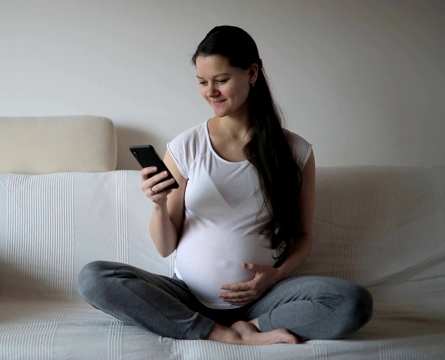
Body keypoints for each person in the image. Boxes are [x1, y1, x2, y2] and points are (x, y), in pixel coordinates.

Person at [78, 25, 373, 345]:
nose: (210, 92)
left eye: (221, 80)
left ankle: (255, 325)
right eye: (203, 82)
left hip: (263, 299)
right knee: (95, 278)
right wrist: (159, 205)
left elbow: (302, 236)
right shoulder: (185, 147)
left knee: (352, 300)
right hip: (188, 298)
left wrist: (276, 275)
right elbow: (165, 248)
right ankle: (220, 333)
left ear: (252, 73)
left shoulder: (296, 152)